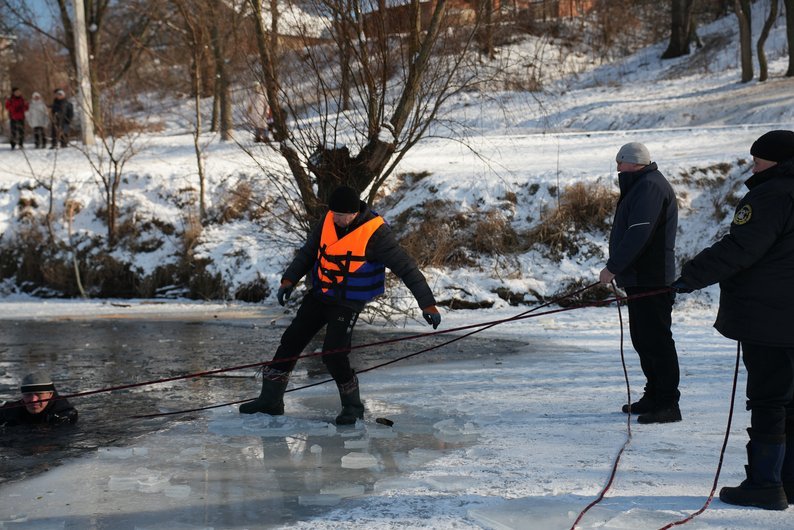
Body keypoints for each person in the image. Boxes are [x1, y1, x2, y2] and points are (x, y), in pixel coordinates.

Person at [240, 186, 441, 425]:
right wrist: (289, 280)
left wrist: (427, 304)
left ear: (355, 212)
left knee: (333, 353)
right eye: (334, 213)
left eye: (342, 215)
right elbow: (308, 253)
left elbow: (406, 268)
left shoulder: (376, 234)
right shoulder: (327, 221)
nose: (336, 218)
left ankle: (353, 407)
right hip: (320, 294)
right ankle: (270, 401)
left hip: (347, 302)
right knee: (290, 341)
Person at [672, 130, 794, 510]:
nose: (752, 165)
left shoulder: (773, 194)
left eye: (758, 159)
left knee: (770, 398)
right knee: (790, 399)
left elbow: (742, 247)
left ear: (777, 161)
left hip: (772, 318)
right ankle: (787, 480)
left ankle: (764, 484)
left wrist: (690, 276)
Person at [599, 142, 680, 424]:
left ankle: (668, 403)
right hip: (640, 277)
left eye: (619, 163)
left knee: (656, 341)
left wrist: (613, 267)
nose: (617, 168)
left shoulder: (649, 187)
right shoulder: (643, 184)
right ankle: (654, 394)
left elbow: (638, 233)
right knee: (643, 340)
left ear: (631, 162)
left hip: (652, 277)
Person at [0, 371, 78, 427]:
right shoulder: (13, 409)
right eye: (28, 394)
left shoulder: (64, 412)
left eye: (39, 394)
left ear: (50, 394)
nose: (33, 400)